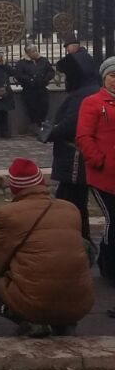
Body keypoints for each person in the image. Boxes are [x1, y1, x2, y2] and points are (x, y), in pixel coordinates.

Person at [0, 158, 92, 336]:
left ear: (14, 188)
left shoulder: (7, 214)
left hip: (33, 305)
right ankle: (65, 321)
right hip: (80, 305)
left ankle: (28, 320)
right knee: (82, 246)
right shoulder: (70, 209)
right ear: (41, 182)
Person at [47, 48, 101, 240]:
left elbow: (72, 125)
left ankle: (75, 242)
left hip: (75, 160)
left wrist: (50, 132)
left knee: (70, 204)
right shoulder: (89, 90)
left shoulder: (83, 95)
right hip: (77, 159)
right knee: (75, 203)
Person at [76, 55, 115, 284]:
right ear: (104, 78)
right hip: (104, 175)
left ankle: (104, 260)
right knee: (113, 220)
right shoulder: (92, 102)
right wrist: (98, 160)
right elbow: (83, 136)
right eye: (112, 76)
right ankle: (110, 267)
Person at [13, 45, 55, 131]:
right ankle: (35, 127)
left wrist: (46, 78)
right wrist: (30, 80)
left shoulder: (43, 60)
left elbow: (50, 71)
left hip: (42, 88)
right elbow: (19, 75)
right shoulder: (22, 63)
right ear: (28, 53)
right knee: (32, 109)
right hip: (29, 90)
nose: (35, 53)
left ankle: (41, 125)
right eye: (33, 51)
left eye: (36, 51)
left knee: (44, 107)